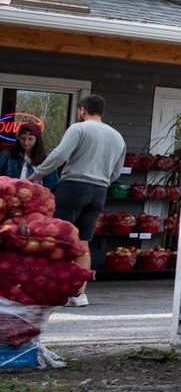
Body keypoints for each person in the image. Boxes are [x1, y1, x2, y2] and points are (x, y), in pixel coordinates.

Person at [32, 95, 124, 269]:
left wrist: (38, 173)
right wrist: (103, 181)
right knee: (83, 243)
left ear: (82, 110)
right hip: (99, 192)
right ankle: (79, 294)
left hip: (74, 187)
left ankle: (56, 287)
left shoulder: (79, 128)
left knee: (58, 238)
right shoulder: (117, 136)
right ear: (102, 112)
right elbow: (116, 172)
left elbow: (59, 155)